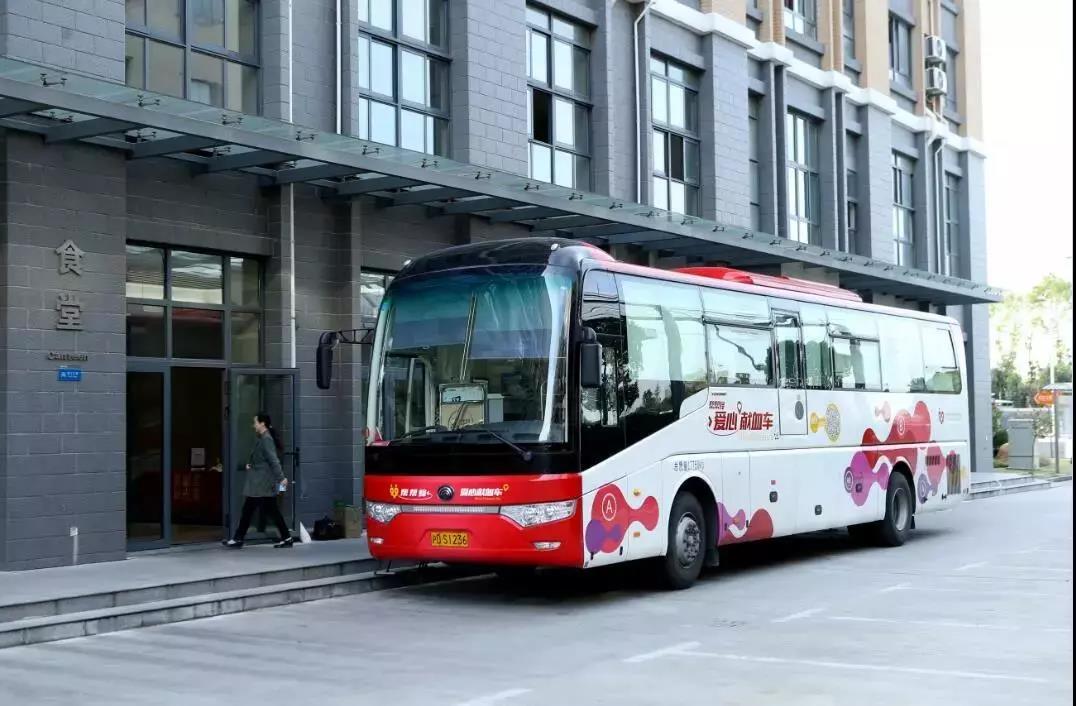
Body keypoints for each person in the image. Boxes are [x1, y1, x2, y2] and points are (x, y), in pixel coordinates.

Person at [222, 413, 294, 549]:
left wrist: (281, 478)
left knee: (255, 510)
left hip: (262, 484)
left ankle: (239, 539)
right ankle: (286, 538)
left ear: (262, 423)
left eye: (255, 422)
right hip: (259, 483)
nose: (253, 425)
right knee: (258, 510)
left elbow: (273, 460)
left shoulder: (266, 439)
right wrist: (251, 465)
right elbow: (262, 459)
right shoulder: (263, 438)